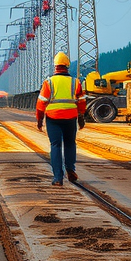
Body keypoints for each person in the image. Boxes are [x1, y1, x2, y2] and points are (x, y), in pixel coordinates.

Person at [36, 52, 87, 185]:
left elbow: (41, 104)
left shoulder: (49, 82)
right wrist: (81, 117)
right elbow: (81, 102)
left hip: (53, 119)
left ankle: (58, 178)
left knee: (55, 146)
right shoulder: (75, 82)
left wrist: (39, 121)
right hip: (70, 118)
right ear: (67, 66)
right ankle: (70, 169)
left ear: (55, 67)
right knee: (70, 144)